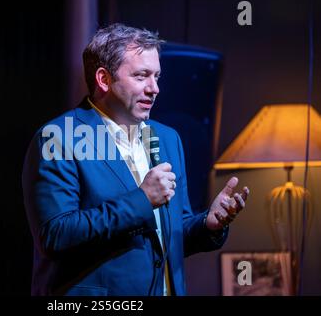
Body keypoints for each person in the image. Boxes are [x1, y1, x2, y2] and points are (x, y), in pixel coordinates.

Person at [22, 23, 249, 296]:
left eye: (157, 76)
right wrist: (142, 199)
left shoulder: (167, 139)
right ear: (104, 79)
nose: (155, 89)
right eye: (142, 76)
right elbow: (56, 235)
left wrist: (207, 225)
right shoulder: (59, 138)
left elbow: (168, 236)